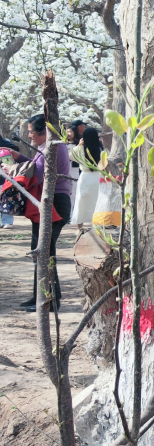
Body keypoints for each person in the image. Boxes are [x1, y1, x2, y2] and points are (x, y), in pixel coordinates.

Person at [1, 115, 72, 311]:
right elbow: (36, 165)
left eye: (31, 132)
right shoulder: (47, 147)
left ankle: (48, 300)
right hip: (49, 203)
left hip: (54, 203)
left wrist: (13, 168)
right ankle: (40, 296)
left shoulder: (53, 147)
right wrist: (18, 157)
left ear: (43, 132)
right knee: (41, 251)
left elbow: (38, 174)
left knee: (43, 253)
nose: (29, 135)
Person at [71, 127, 103, 233]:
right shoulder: (101, 148)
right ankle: (95, 225)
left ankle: (79, 227)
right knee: (96, 201)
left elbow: (71, 156)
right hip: (97, 177)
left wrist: (79, 145)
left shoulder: (80, 149)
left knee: (81, 201)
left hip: (85, 177)